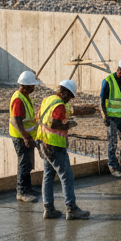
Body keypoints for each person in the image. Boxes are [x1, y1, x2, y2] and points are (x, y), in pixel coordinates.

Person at [35, 79, 91, 220]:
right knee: (67, 176)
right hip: (54, 145)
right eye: (70, 96)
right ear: (64, 92)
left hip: (43, 141)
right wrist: (67, 125)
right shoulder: (59, 104)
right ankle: (71, 209)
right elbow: (55, 123)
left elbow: (38, 118)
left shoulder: (47, 100)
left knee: (48, 175)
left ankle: (48, 209)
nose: (69, 100)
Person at [8, 70, 40, 202]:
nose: (34, 88)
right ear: (26, 86)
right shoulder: (18, 99)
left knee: (27, 163)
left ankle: (28, 188)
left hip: (26, 135)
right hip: (21, 137)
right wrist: (26, 137)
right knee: (23, 163)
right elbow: (16, 120)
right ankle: (21, 191)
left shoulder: (24, 96)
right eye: (33, 85)